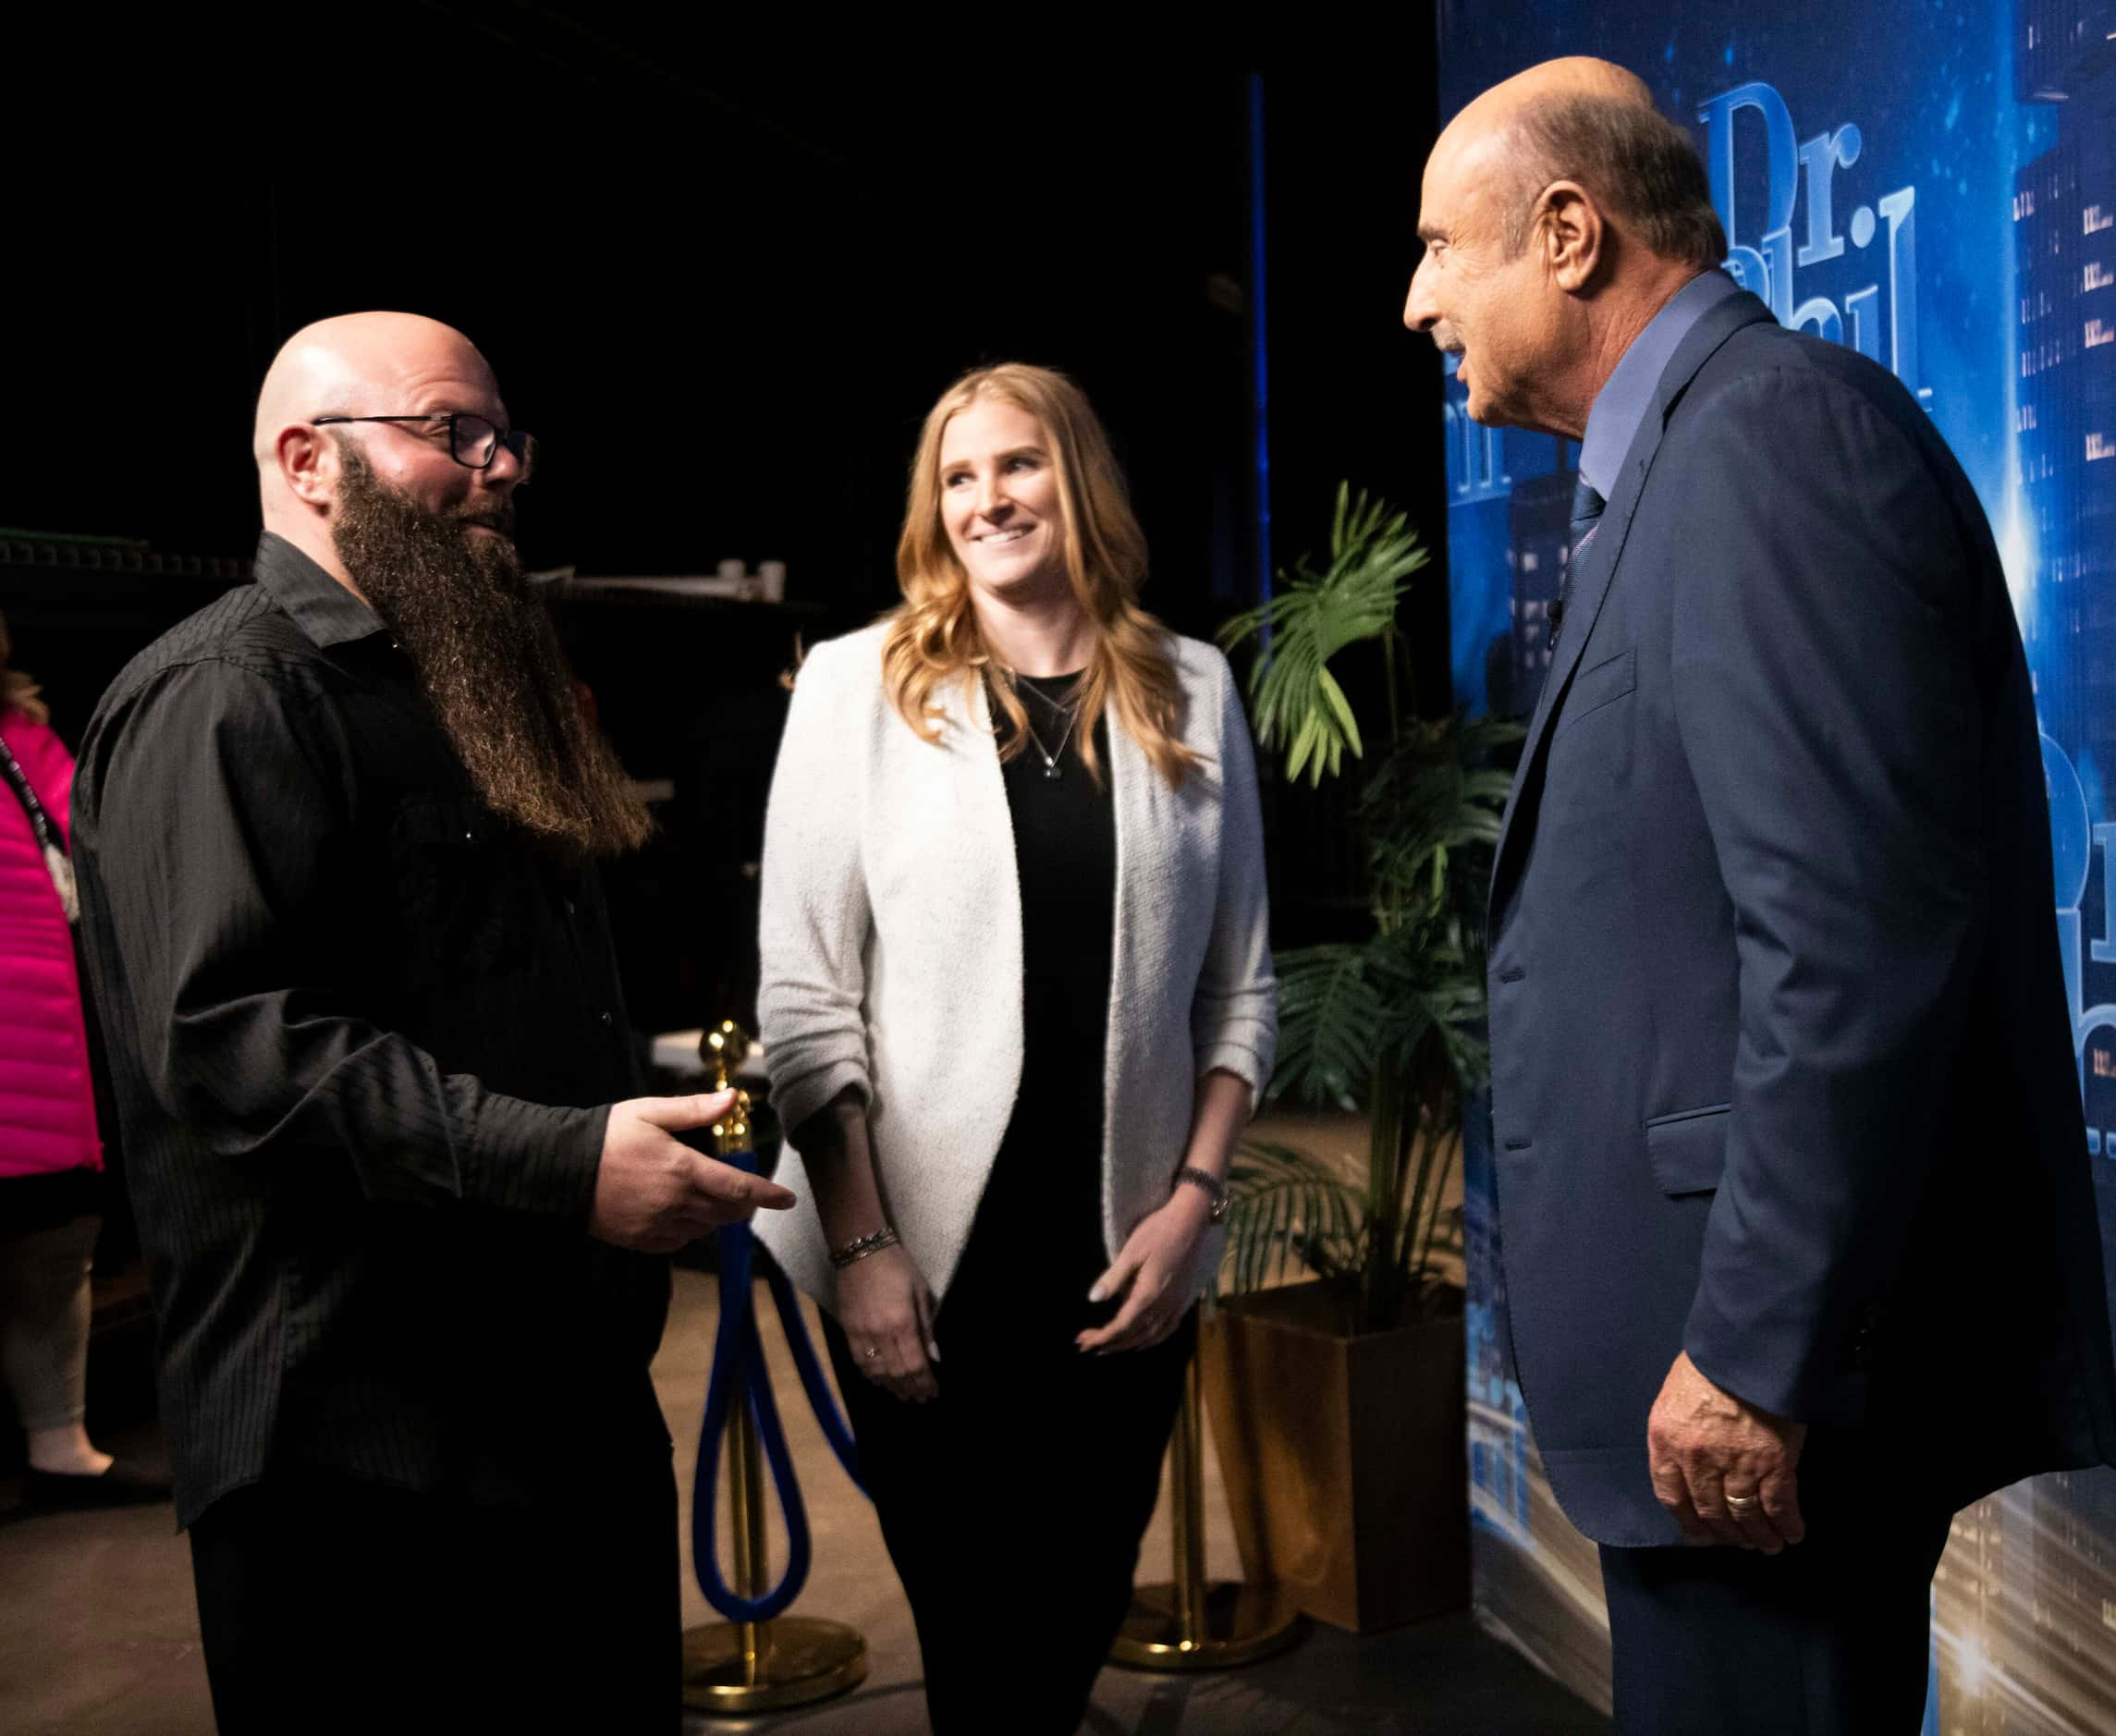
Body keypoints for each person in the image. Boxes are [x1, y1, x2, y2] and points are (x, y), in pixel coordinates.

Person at [1405, 57, 2116, 1734]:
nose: (1416, 295)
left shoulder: (1767, 439)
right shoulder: (1694, 452)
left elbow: (1851, 936)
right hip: (1713, 1384)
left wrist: (1749, 1351)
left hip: (1748, 1396)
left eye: (1443, 245)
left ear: (1565, 232)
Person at [68, 312, 793, 1735]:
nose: (502, 464)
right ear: (306, 459)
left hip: (544, 1399)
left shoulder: (456, 675)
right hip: (362, 1446)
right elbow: (233, 1042)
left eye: (505, 433)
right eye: (453, 432)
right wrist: (565, 1160)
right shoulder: (226, 695)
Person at [753, 362, 1275, 1732]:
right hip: (924, 1257)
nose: (989, 497)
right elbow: (806, 1003)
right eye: (959, 475)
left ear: (1078, 477)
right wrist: (863, 1250)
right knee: (979, 1631)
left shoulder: (1192, 687)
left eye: (1018, 463)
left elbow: (1241, 996)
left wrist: (1191, 1207)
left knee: (1078, 1605)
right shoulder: (854, 684)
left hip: (1128, 1255)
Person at [0, 617, 167, 1510]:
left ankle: (59, 1446)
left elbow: (102, 841)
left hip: (52, 1043)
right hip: (25, 1040)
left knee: (58, 1247)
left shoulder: (27, 735)